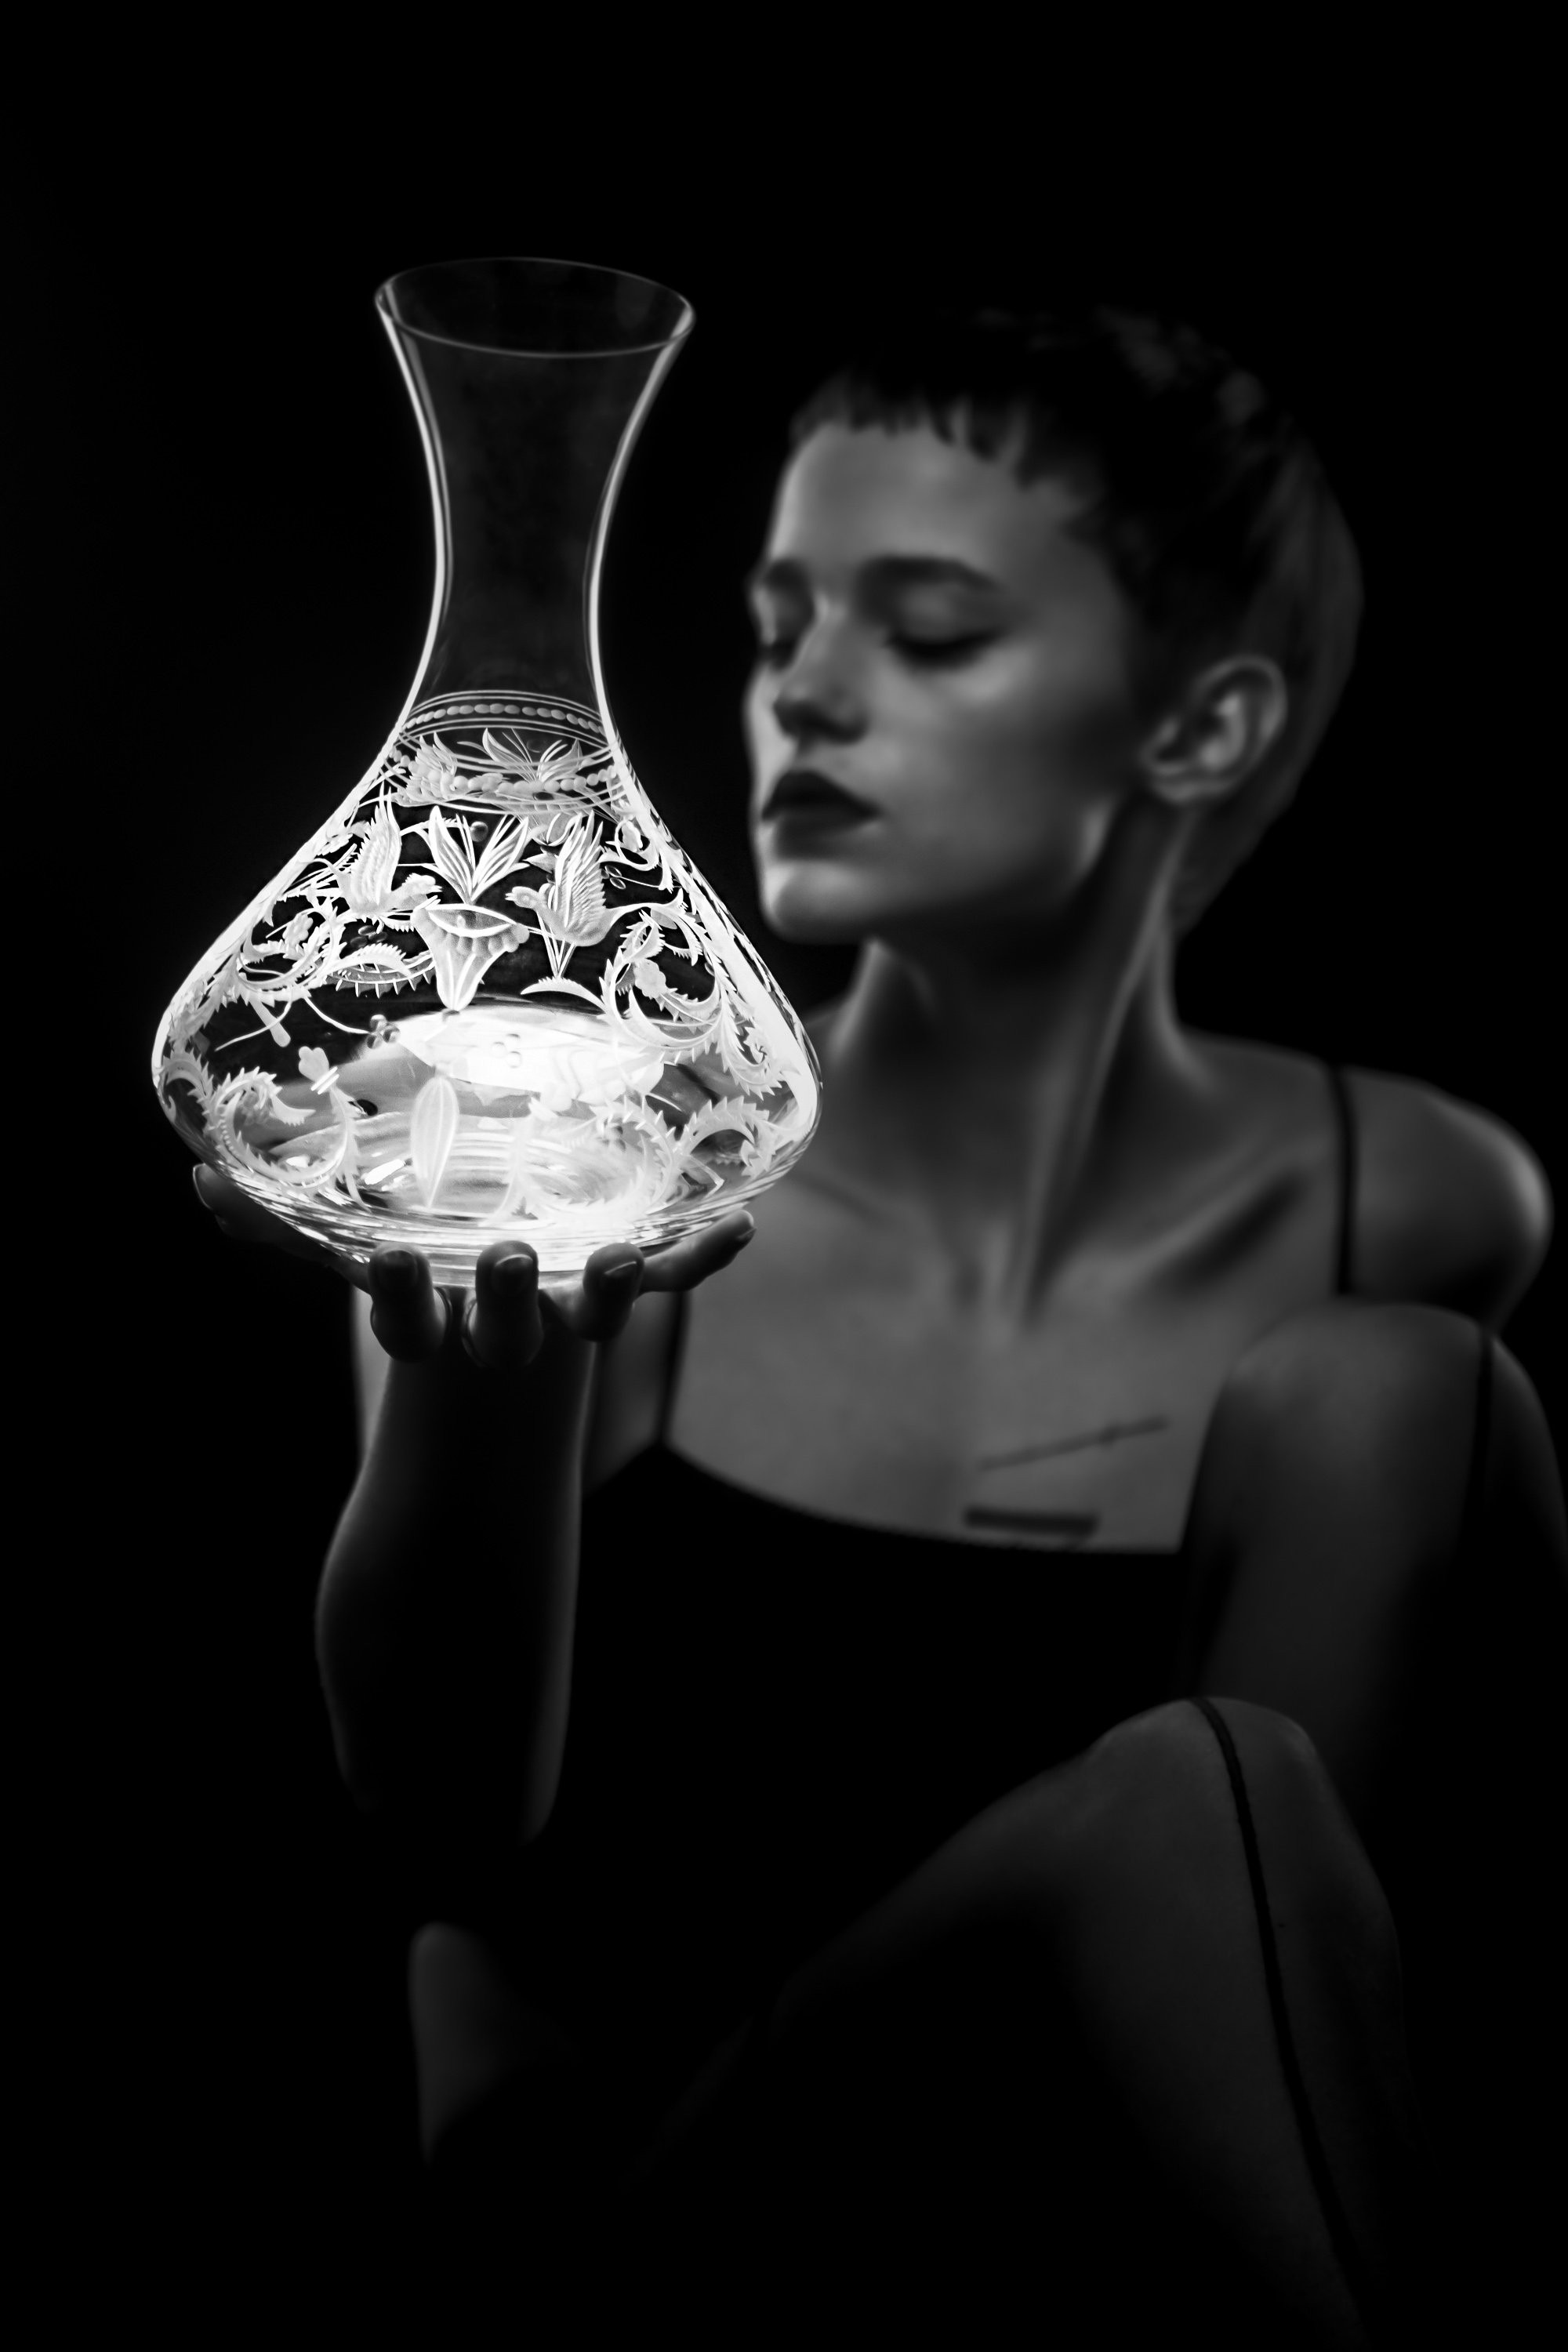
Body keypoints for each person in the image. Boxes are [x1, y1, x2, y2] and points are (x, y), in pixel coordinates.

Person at [198, 307, 1563, 2345]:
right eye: (780, 627)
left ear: (1201, 729)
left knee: (1392, 1404)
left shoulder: (1420, 1205)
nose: (804, 694)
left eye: (927, 635)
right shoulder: (575, 1152)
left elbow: (1424, 1885)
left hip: (1114, 2236)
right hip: (679, 2212)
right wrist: (488, 1401)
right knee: (1183, 1799)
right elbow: (440, 1818)